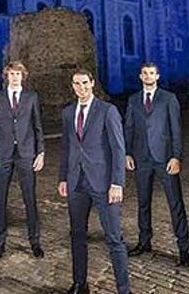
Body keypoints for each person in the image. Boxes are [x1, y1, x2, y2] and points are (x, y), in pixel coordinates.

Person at [58, 69, 131, 294]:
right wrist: (63, 177)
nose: (80, 88)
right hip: (76, 182)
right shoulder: (69, 112)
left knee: (114, 238)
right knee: (77, 235)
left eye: (84, 83)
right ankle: (80, 284)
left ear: (92, 84)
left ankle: (124, 289)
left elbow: (119, 149)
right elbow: (67, 147)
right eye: (76, 84)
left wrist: (117, 182)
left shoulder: (107, 110)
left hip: (103, 184)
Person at [124, 62, 189, 266]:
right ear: (140, 76)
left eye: (151, 73)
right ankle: (144, 242)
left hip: (165, 158)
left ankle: (183, 249)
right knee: (143, 202)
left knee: (175, 203)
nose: (148, 76)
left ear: (157, 76)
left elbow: (176, 129)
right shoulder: (133, 99)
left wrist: (176, 156)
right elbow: (128, 127)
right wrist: (127, 153)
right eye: (144, 73)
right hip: (141, 157)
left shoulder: (168, 98)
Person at [0, 60, 46, 259]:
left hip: (26, 153)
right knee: (0, 199)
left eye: (18, 74)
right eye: (11, 74)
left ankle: (35, 241)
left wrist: (41, 152)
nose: (14, 77)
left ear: (23, 76)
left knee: (30, 198)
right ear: (7, 76)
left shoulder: (31, 97)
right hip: (3, 153)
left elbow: (37, 125)